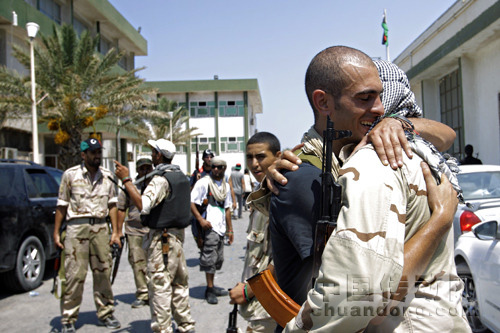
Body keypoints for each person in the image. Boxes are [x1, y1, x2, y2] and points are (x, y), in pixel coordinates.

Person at [274, 46, 470, 332]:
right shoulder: (305, 175)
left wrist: (399, 123)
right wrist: (440, 219)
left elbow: (364, 293)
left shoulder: (382, 153)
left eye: (381, 96)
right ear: (323, 102)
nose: (379, 108)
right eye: (365, 98)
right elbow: (356, 291)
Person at [114, 139, 195, 333]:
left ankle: (163, 328)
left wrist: (126, 180)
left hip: (162, 241)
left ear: (159, 155)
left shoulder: (160, 179)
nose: (151, 155)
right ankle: (185, 325)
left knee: (160, 286)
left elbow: (143, 204)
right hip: (176, 239)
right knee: (178, 284)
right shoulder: (180, 176)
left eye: (153, 152)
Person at [53, 138, 121, 333]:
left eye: (99, 151)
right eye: (93, 152)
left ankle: (106, 313)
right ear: (83, 155)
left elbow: (113, 205)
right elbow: (61, 205)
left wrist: (116, 232)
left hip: (100, 227)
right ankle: (68, 318)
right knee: (75, 275)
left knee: (103, 273)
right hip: (77, 228)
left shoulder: (107, 177)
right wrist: (56, 233)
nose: (97, 155)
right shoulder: (70, 175)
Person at [229, 132, 282, 332]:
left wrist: (248, 290)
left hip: (270, 305)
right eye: (249, 158)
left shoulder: (281, 195)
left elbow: (284, 257)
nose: (254, 164)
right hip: (258, 302)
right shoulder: (262, 194)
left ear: (277, 156)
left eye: (260, 157)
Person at [190, 156, 234, 304]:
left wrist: (230, 230)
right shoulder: (203, 183)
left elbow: (227, 208)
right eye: (213, 166)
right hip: (209, 227)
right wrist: (201, 220)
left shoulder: (225, 186)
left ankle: (212, 286)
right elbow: (192, 202)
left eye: (219, 167)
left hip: (221, 227)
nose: (215, 169)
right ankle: (209, 289)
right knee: (209, 259)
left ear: (224, 169)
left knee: (218, 259)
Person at [116, 156, 153, 308]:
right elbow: (120, 208)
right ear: (137, 170)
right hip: (134, 230)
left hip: (152, 230)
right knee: (137, 263)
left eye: (147, 168)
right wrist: (118, 231)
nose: (145, 171)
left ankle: (155, 293)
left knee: (154, 263)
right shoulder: (129, 186)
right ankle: (143, 293)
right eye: (142, 168)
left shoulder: (156, 184)